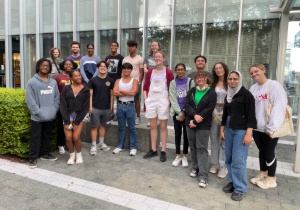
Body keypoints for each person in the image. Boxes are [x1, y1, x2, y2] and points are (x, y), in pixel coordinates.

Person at [249, 64, 287, 189]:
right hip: (257, 127)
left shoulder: (274, 85)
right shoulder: (253, 88)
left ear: (263, 70)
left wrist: (272, 127)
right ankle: (262, 174)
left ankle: (271, 179)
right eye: (252, 73)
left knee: (269, 151)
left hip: (269, 128)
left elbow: (279, 106)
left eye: (256, 71)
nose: (254, 74)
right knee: (262, 151)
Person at [221, 71, 256, 201]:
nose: (232, 81)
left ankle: (240, 188)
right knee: (229, 157)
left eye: (235, 79)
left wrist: (248, 134)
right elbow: (225, 113)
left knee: (238, 159)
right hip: (229, 127)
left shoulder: (246, 95)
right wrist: (222, 129)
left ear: (240, 79)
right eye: (230, 79)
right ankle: (233, 182)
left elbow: (251, 116)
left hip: (241, 130)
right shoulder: (228, 94)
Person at [26, 58, 60, 169]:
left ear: (50, 68)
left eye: (47, 66)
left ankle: (45, 154)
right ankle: (33, 158)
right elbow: (30, 101)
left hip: (50, 115)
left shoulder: (53, 82)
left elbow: (56, 98)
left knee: (47, 136)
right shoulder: (32, 82)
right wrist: (38, 113)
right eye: (43, 65)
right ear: (38, 66)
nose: (45, 67)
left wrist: (54, 110)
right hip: (37, 117)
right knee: (35, 137)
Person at [184, 70, 216, 188]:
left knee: (201, 148)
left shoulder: (211, 92)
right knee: (192, 147)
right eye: (197, 78)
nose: (199, 79)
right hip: (190, 123)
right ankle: (195, 168)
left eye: (202, 77)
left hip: (203, 124)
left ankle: (203, 176)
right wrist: (194, 116)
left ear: (206, 78)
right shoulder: (191, 91)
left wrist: (198, 118)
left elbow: (209, 108)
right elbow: (186, 105)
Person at [143, 51, 174, 162]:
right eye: (156, 57)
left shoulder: (168, 72)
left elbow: (172, 88)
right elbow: (145, 87)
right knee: (152, 126)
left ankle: (163, 151)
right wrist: (146, 100)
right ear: (154, 59)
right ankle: (153, 149)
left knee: (163, 127)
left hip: (163, 100)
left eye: (160, 57)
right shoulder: (150, 71)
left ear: (164, 58)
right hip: (151, 100)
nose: (158, 58)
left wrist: (168, 101)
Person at [60, 70, 90, 165]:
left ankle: (79, 154)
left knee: (76, 137)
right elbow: (63, 105)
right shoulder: (66, 89)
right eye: (76, 76)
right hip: (67, 116)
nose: (79, 77)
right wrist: (66, 120)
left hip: (79, 116)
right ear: (71, 78)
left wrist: (77, 122)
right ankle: (72, 155)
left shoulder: (85, 90)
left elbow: (85, 107)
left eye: (79, 75)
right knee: (68, 138)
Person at [169, 63, 194, 167]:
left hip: (187, 113)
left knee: (187, 135)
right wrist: (179, 113)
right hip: (176, 113)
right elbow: (173, 99)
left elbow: (191, 97)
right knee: (177, 134)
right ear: (175, 71)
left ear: (185, 70)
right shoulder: (173, 83)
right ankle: (178, 155)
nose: (180, 71)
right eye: (178, 70)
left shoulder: (190, 81)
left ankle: (184, 156)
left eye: (181, 69)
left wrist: (184, 111)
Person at [87, 61, 114, 155]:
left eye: (105, 66)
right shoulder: (93, 80)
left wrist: (111, 108)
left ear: (107, 69)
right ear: (98, 68)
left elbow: (111, 96)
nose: (103, 68)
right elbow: (90, 95)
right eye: (101, 66)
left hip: (106, 108)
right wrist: (90, 107)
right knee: (94, 127)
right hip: (95, 107)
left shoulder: (110, 80)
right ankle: (93, 145)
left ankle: (101, 143)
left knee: (103, 126)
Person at [112, 63, 139, 155]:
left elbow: (133, 93)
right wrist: (128, 92)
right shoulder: (118, 81)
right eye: (124, 69)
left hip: (130, 106)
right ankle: (120, 146)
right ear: (122, 70)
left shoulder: (134, 81)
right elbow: (115, 93)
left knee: (132, 127)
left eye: (128, 69)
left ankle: (133, 147)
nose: (126, 70)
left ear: (131, 70)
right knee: (121, 127)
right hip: (120, 106)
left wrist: (121, 90)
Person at [209, 62, 229, 178]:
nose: (218, 70)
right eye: (216, 68)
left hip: (226, 112)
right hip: (214, 112)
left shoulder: (230, 82)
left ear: (224, 69)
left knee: (224, 139)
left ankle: (223, 165)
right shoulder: (213, 83)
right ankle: (215, 163)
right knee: (214, 139)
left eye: (220, 68)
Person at [54, 59, 77, 154]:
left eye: (70, 64)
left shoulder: (75, 75)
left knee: (72, 125)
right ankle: (61, 145)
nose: (68, 66)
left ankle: (69, 144)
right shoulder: (58, 77)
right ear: (63, 66)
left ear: (73, 66)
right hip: (62, 104)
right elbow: (55, 91)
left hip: (73, 105)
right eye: (66, 64)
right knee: (62, 124)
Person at [122, 40, 144, 125]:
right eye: (129, 46)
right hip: (126, 82)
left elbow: (141, 72)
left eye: (133, 46)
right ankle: (129, 116)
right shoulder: (125, 59)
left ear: (136, 48)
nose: (131, 48)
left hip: (136, 82)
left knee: (136, 100)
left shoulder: (140, 59)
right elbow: (123, 71)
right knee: (127, 99)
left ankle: (138, 116)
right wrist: (122, 81)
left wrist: (139, 82)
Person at [105, 41, 124, 121]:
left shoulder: (121, 57)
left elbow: (123, 69)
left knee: (118, 98)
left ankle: (118, 114)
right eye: (112, 45)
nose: (113, 47)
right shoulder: (107, 58)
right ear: (110, 47)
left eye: (115, 46)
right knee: (109, 97)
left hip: (117, 80)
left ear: (117, 47)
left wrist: (121, 80)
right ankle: (111, 113)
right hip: (109, 79)